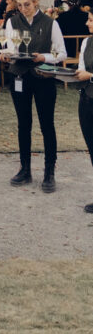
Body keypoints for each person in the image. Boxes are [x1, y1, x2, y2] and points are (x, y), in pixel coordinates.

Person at [0, 0, 66, 192]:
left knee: (47, 124)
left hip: (43, 76)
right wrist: (5, 55)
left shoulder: (50, 23)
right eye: (19, 5)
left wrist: (44, 57)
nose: (23, 9)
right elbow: (10, 47)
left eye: (26, 4)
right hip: (20, 75)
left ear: (35, 2)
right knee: (23, 123)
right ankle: (25, 168)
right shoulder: (12, 22)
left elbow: (61, 53)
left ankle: (49, 171)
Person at [74, 11, 93, 213]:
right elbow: (82, 70)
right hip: (87, 100)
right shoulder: (87, 43)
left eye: (91, 20)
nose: (87, 23)